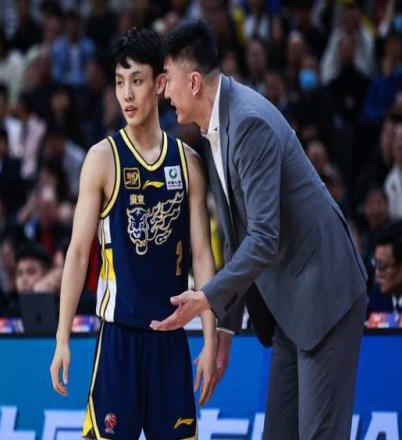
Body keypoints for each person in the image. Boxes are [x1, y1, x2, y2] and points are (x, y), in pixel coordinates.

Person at [152, 20, 368, 439]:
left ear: (193, 82)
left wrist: (206, 298)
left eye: (168, 79)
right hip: (290, 302)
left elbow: (263, 237)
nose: (164, 92)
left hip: (325, 293)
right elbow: (236, 237)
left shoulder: (249, 123)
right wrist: (226, 328)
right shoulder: (214, 126)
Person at [49, 28, 217, 439]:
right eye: (120, 82)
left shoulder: (188, 163)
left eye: (137, 81)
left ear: (160, 84)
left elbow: (202, 255)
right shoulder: (102, 159)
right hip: (118, 338)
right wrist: (62, 337)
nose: (126, 94)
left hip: (171, 340)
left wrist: (211, 340)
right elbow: (77, 253)